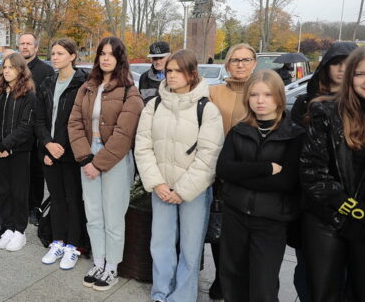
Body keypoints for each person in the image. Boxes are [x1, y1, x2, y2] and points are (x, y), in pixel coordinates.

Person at [300, 43, 365, 302]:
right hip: (328, 220)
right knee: (324, 294)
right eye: (361, 74)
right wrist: (361, 212)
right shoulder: (326, 112)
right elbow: (312, 173)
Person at [135, 49, 224, 301]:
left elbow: (209, 156)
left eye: (178, 71)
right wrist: (157, 183)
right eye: (169, 70)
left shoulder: (206, 109)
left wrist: (183, 190)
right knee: (161, 245)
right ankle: (161, 292)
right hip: (161, 187)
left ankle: (183, 296)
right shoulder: (155, 105)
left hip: (193, 192)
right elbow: (143, 146)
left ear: (192, 73)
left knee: (190, 248)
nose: (171, 75)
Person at [217, 70, 305, 301]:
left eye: (267, 94)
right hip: (235, 213)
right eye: (254, 94)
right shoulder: (239, 130)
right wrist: (264, 168)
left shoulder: (294, 134)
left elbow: (286, 181)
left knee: (263, 283)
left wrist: (240, 173)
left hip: (271, 219)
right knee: (233, 278)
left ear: (278, 96)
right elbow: (224, 170)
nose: (260, 100)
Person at [68, 37, 143, 291]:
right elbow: (74, 123)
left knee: (113, 216)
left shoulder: (130, 91)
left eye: (111, 54)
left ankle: (112, 266)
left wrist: (98, 163)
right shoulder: (88, 87)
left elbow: (124, 135)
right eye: (102, 53)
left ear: (120, 58)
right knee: (93, 214)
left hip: (115, 160)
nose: (106, 58)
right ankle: (98, 261)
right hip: (87, 155)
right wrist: (85, 157)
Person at [207, 42, 258, 298]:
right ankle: (221, 278)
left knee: (245, 231)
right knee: (220, 229)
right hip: (218, 170)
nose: (240, 64)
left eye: (246, 60)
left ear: (254, 63)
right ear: (227, 64)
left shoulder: (262, 92)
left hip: (248, 169)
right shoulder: (213, 92)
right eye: (235, 60)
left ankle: (243, 279)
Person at [35, 38, 88, 270]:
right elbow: (39, 120)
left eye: (60, 53)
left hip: (72, 152)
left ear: (72, 56)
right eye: (53, 53)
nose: (55, 57)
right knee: (56, 199)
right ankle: (57, 242)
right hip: (49, 151)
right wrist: (47, 145)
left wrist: (60, 147)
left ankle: (72, 246)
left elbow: (79, 121)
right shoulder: (48, 82)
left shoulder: (83, 82)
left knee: (73, 199)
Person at [0, 52, 37, 252]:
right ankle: (7, 227)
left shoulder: (28, 95)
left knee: (19, 192)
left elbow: (26, 126)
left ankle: (19, 231)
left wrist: (5, 145)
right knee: (3, 191)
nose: (6, 71)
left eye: (11, 67)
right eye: (4, 67)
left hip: (19, 152)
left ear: (20, 70)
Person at [18, 33, 56, 226]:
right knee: (18, 173)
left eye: (28, 44)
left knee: (35, 172)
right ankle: (20, 206)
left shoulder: (46, 71)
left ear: (36, 47)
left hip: (37, 133)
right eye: (22, 43)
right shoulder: (13, 67)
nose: (25, 47)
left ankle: (34, 208)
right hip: (17, 131)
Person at [291, 42, 356, 125]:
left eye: (348, 64)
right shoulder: (304, 102)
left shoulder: (361, 102)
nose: (342, 69)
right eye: (335, 63)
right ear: (326, 65)